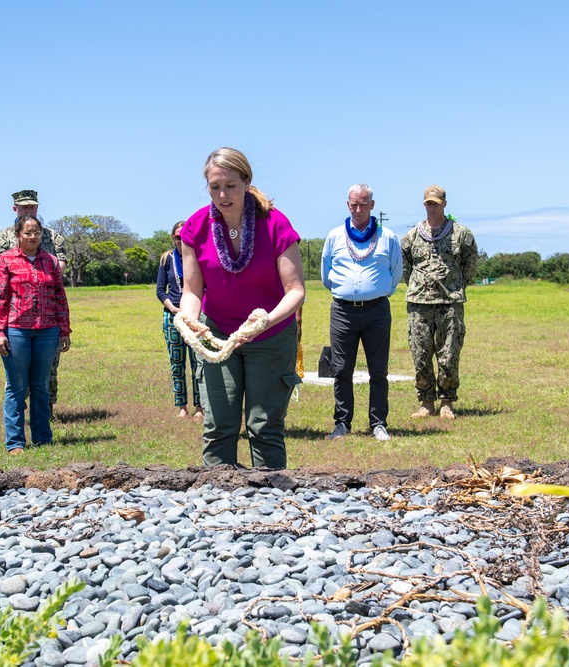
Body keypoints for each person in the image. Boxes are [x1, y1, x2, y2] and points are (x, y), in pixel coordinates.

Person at [178, 147, 305, 469]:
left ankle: (271, 501)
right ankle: (216, 503)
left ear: (247, 181)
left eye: (231, 186)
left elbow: (295, 291)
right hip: (218, 334)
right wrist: (190, 321)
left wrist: (264, 322)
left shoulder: (275, 224)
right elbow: (192, 290)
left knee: (264, 426)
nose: (222, 195)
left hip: (270, 335)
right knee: (219, 425)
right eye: (215, 187)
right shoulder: (195, 228)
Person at [321, 184, 403, 441]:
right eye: (354, 204)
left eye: (363, 204)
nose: (358, 209)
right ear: (348, 205)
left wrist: (376, 292)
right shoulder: (335, 236)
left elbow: (396, 272)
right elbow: (326, 275)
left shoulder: (387, 237)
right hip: (343, 312)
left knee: (378, 370)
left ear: (372, 205)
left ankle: (378, 423)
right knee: (341, 369)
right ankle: (342, 423)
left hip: (377, 311)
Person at [0, 214, 72, 454]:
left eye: (37, 232)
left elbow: (60, 296)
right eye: (28, 233)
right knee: (16, 387)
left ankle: (42, 438)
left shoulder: (50, 262)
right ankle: (15, 442)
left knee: (41, 386)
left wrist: (64, 329)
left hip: (48, 331)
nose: (33, 237)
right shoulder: (5, 260)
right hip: (16, 331)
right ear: (18, 235)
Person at [400, 185, 478, 419]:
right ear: (424, 205)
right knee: (421, 353)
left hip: (450, 303)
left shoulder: (461, 234)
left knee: (449, 353)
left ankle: (447, 401)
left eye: (436, 202)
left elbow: (470, 264)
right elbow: (405, 267)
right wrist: (419, 287)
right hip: (419, 305)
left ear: (444, 204)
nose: (432, 206)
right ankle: (426, 402)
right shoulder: (412, 236)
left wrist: (455, 285)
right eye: (428, 203)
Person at [156, 221, 203, 421]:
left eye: (184, 236)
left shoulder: (199, 255)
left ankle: (200, 407)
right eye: (177, 237)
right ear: (172, 238)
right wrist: (174, 308)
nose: (180, 240)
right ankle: (182, 407)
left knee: (197, 363)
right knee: (177, 362)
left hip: (196, 316)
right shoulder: (167, 259)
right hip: (173, 315)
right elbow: (160, 290)